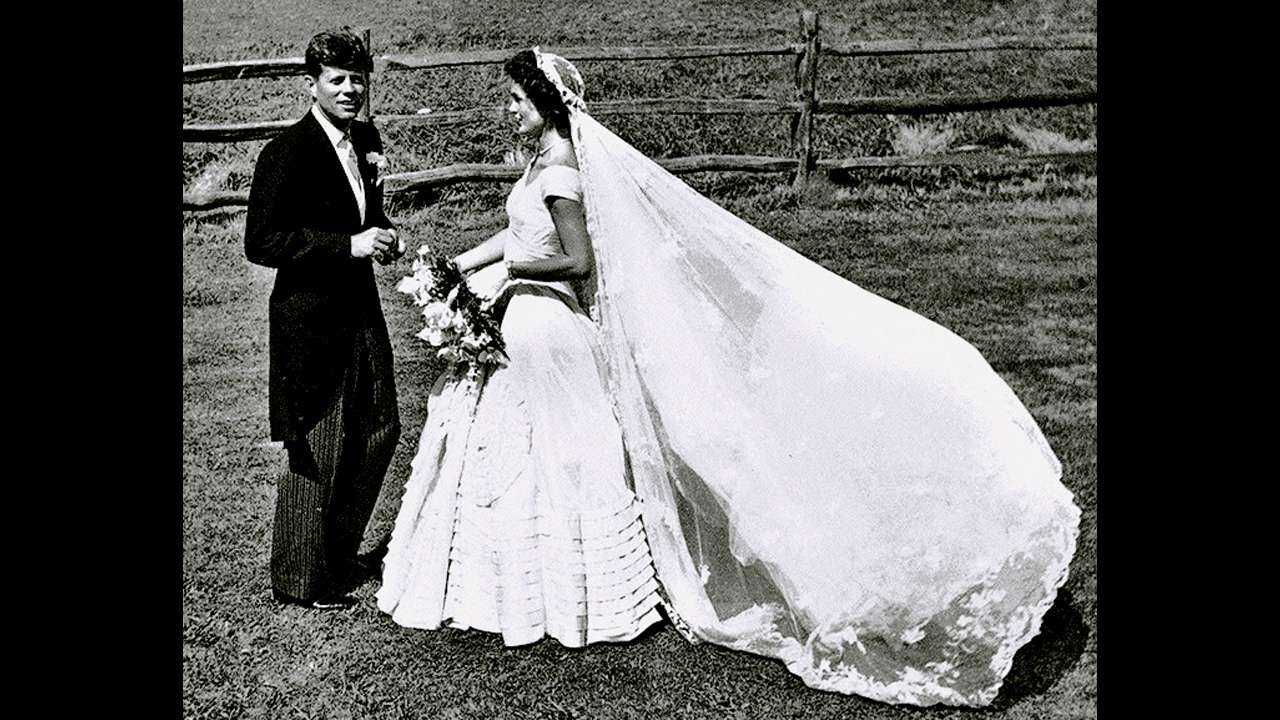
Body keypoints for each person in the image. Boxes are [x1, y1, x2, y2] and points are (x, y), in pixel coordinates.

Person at [378, 49, 1081, 707]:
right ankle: (522, 582)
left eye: (514, 100)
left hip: (547, 320)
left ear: (544, 104)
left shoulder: (562, 170)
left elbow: (576, 261)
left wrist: (514, 274)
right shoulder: (538, 163)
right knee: (529, 444)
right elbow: (517, 232)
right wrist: (464, 267)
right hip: (523, 315)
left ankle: (575, 590)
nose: (507, 111)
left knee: (561, 447)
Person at [245, 28, 405, 610]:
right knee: (319, 441)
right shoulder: (286, 152)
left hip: (360, 309)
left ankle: (338, 550)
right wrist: (347, 246)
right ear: (310, 84)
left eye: (357, 80)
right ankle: (298, 578)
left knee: (381, 426)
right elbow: (262, 242)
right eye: (336, 80)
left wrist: (381, 235)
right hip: (309, 321)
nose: (349, 91)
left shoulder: (366, 137)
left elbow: (365, 212)